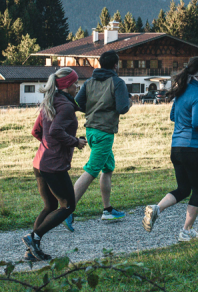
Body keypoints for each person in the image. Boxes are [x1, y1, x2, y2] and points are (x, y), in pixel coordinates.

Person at [142, 56, 198, 242]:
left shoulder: (181, 92)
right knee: (197, 190)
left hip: (176, 148)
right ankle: (186, 231)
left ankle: (157, 208)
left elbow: (173, 116)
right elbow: (197, 123)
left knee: (183, 189)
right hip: (192, 148)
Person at [22, 67, 86, 262]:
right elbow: (56, 131)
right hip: (53, 166)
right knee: (68, 206)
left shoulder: (49, 102)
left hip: (40, 162)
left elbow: (36, 132)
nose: (77, 86)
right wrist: (76, 142)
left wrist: (48, 148)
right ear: (67, 85)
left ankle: (31, 251)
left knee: (50, 205)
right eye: (75, 83)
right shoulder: (65, 106)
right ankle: (34, 238)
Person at [65, 50, 130, 231]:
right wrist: (128, 102)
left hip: (91, 130)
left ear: (100, 64)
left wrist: (92, 108)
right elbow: (123, 108)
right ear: (115, 65)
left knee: (107, 168)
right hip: (104, 133)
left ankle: (107, 210)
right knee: (91, 170)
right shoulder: (117, 82)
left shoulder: (89, 82)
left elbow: (77, 104)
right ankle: (68, 210)